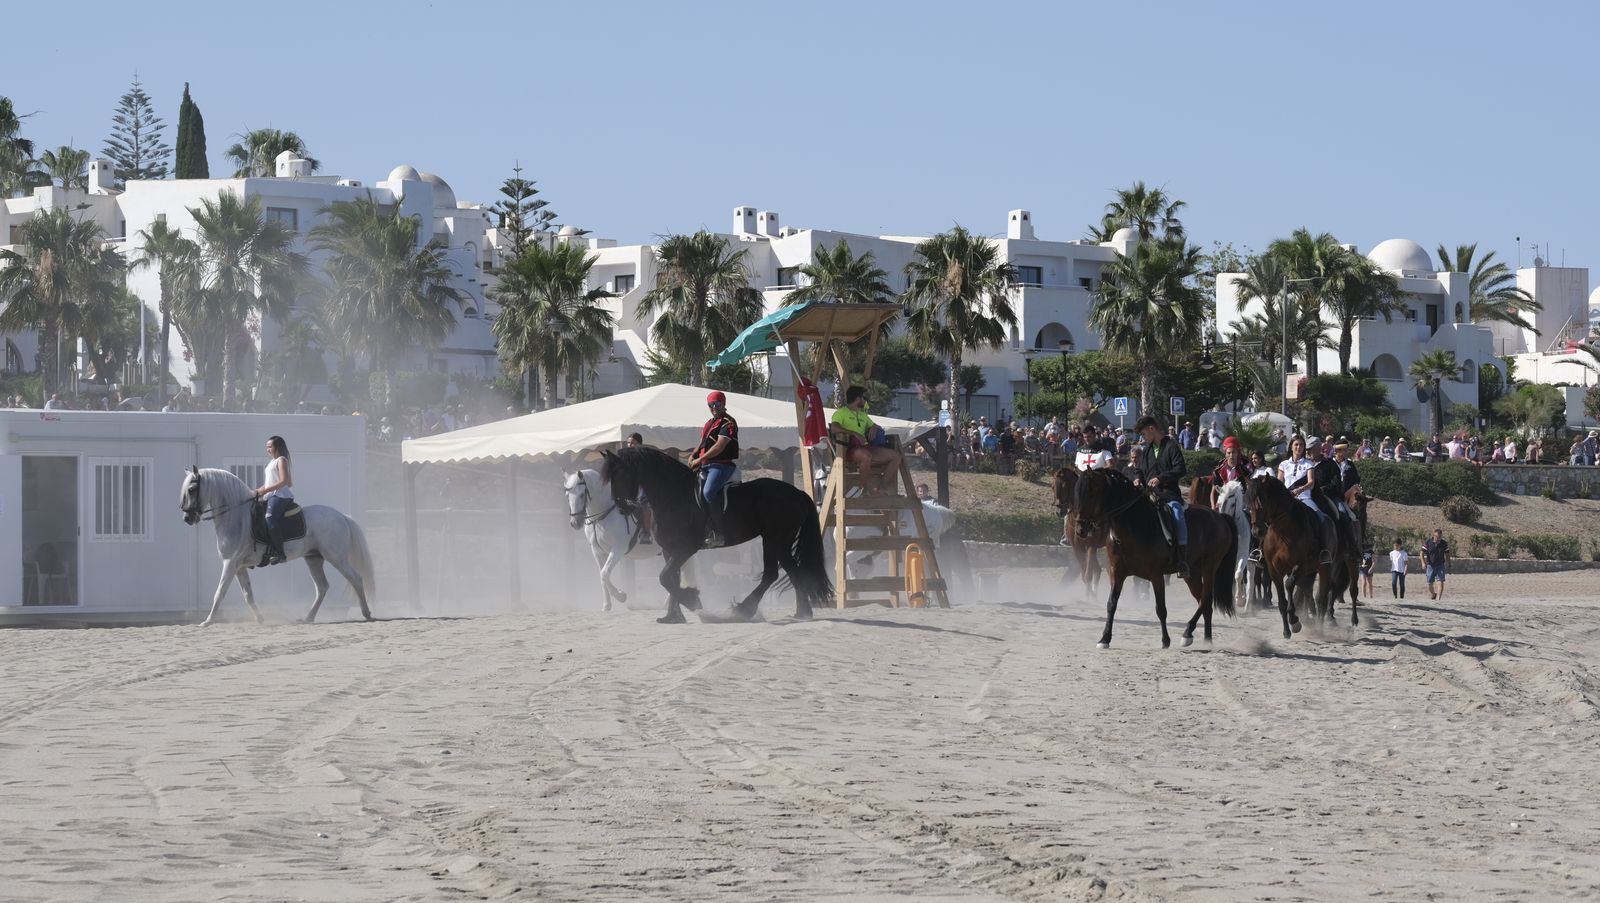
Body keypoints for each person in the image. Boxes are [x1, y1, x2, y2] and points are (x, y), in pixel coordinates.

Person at [1131, 415, 1189, 578]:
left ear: (1151, 429)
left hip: (1169, 494)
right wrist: (1137, 478)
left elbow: (1180, 469)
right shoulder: (1147, 450)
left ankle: (1182, 559)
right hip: (1149, 495)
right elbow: (1141, 471)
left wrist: (1160, 478)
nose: (1142, 438)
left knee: (1178, 514)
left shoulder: (1171, 446)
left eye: (1143, 434)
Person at [688, 390, 739, 547]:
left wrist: (700, 459)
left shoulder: (728, 423)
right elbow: (702, 443)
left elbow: (719, 446)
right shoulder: (709, 423)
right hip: (705, 464)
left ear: (723, 404)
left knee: (708, 492)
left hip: (721, 465)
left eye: (717, 404)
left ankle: (719, 532)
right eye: (710, 405)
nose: (713, 407)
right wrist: (692, 455)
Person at [832, 385, 902, 493]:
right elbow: (834, 428)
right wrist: (853, 433)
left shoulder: (863, 415)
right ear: (857, 399)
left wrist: (874, 427)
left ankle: (881, 487)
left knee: (896, 456)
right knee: (866, 456)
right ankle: (863, 488)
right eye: (863, 398)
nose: (865, 400)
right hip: (849, 449)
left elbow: (875, 426)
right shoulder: (841, 413)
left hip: (865, 447)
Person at [1278, 435, 1335, 564]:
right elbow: (1279, 483)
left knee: (1321, 518)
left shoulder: (1308, 463)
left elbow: (1311, 483)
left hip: (1304, 499)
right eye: (1296, 445)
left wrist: (1299, 490)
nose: (1299, 447)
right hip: (1286, 501)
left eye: (1301, 445)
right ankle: (1260, 550)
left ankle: (1324, 550)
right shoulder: (1284, 464)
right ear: (1291, 447)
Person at [254, 435, 295, 567]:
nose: (267, 449)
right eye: (267, 447)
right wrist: (255, 492)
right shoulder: (271, 463)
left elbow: (285, 482)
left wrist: (265, 491)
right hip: (270, 496)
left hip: (280, 496)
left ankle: (280, 553)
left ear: (277, 447)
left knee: (270, 518)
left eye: (270, 446)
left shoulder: (281, 460)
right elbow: (268, 483)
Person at [1210, 436, 1247, 508]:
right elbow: (1213, 491)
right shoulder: (1218, 471)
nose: (1231, 455)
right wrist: (1213, 506)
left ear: (1237, 453)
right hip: (1223, 503)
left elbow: (1250, 488)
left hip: (1241, 504)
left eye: (1233, 452)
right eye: (1229, 453)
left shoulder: (1245, 470)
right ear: (1225, 453)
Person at [1420, 529, 1450, 601]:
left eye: (1439, 537)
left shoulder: (1444, 543)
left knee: (1440, 581)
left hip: (1440, 565)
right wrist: (1423, 563)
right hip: (1430, 565)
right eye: (1436, 536)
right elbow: (1421, 553)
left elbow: (1447, 554)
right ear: (1433, 535)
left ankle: (1438, 599)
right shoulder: (1428, 542)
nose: (1438, 538)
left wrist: (1449, 563)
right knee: (1430, 583)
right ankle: (1433, 594)